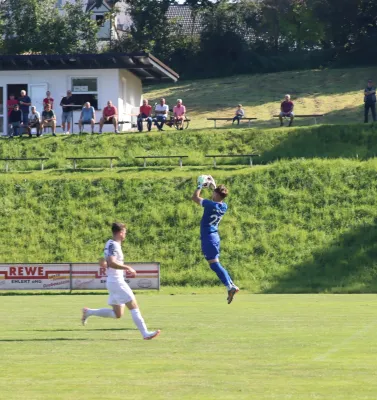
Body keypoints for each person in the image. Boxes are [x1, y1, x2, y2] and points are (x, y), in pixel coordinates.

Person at [81, 222, 161, 341]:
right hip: (117, 282)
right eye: (125, 232)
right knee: (133, 306)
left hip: (112, 282)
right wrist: (127, 267)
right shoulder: (114, 245)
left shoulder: (109, 243)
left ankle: (89, 312)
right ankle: (145, 333)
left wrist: (104, 262)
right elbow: (112, 262)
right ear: (120, 232)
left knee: (117, 314)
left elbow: (102, 260)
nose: (125, 235)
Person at [191, 177, 239, 304]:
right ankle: (230, 285)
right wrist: (214, 185)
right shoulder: (224, 206)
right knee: (215, 263)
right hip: (214, 237)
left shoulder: (210, 204)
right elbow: (218, 196)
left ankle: (230, 286)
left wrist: (200, 186)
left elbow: (195, 198)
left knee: (214, 264)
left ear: (217, 194)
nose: (211, 193)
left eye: (213, 192)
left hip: (208, 237)